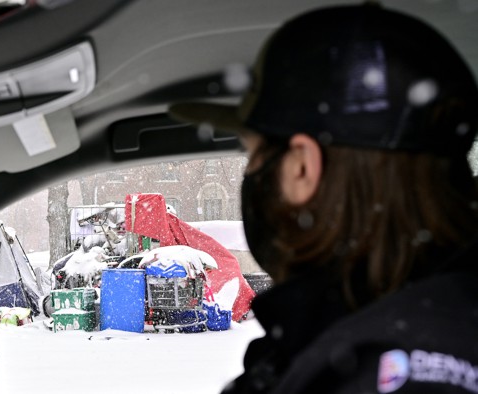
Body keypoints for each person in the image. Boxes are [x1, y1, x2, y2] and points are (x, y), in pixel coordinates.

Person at [170, 3, 478, 393]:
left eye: (254, 156)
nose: (252, 176)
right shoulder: (419, 331)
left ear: (302, 166)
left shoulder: (388, 370)